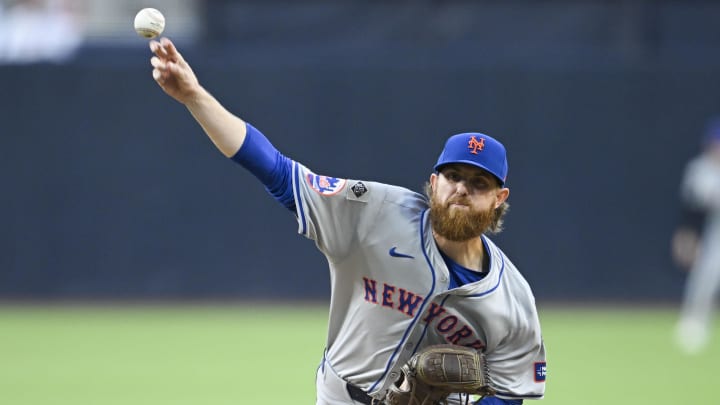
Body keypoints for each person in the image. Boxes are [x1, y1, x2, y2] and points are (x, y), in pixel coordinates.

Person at [147, 37, 546, 404]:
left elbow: (511, 392)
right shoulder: (375, 212)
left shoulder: (513, 299)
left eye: (478, 183)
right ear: (433, 182)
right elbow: (279, 173)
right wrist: (193, 96)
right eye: (453, 177)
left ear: (499, 199)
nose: (461, 189)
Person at [673, 117, 720, 355]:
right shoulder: (700, 169)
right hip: (713, 234)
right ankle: (693, 323)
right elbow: (692, 210)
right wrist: (687, 237)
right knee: (705, 278)